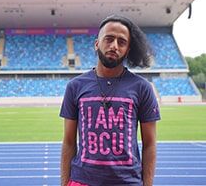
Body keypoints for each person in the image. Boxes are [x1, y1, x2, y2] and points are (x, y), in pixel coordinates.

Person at [60, 15, 160, 186]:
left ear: (128, 50)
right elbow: (69, 142)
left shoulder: (142, 87)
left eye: (122, 42)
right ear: (97, 43)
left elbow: (149, 144)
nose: (114, 46)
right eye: (109, 39)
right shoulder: (75, 86)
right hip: (82, 181)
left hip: (127, 181)